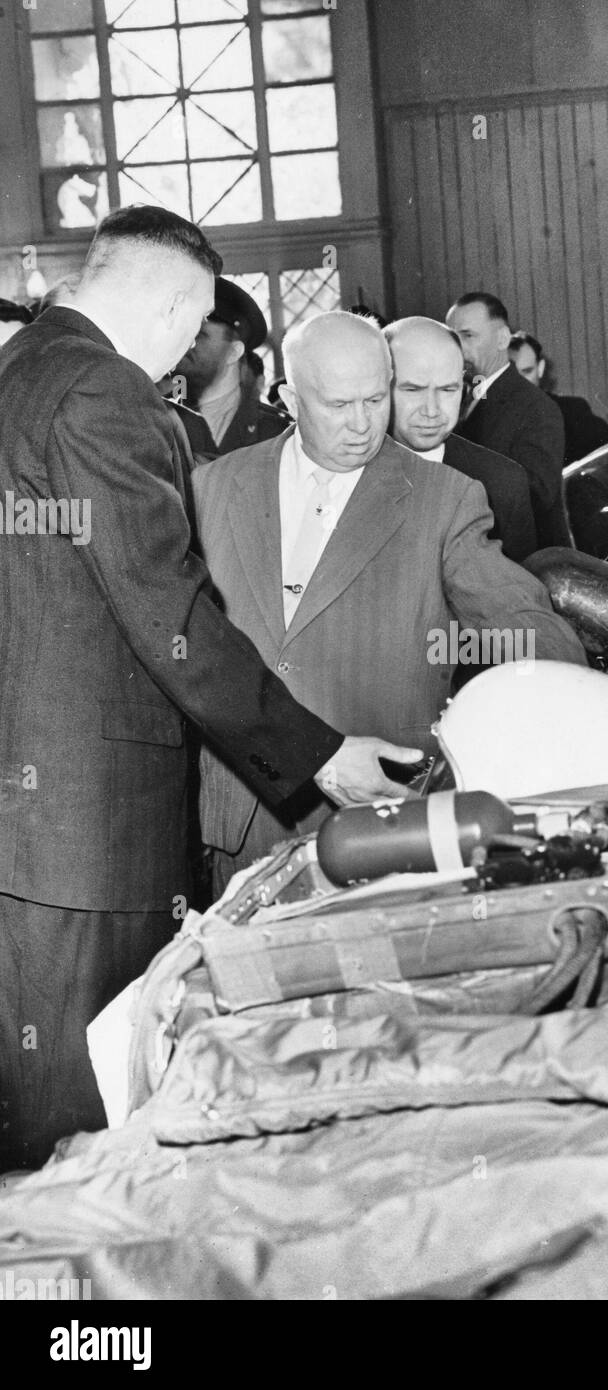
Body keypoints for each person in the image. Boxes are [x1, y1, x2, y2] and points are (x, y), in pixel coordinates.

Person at [0, 208, 419, 1172]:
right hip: (89, 830)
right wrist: (319, 754)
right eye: (192, 336)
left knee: (32, 1108)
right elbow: (172, 617)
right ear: (175, 306)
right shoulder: (105, 393)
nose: (187, 360)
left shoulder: (19, 370)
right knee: (95, 1124)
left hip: (35, 821)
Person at [193, 311, 586, 893]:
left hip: (376, 824)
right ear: (289, 398)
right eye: (337, 405)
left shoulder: (443, 499)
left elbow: (520, 622)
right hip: (236, 821)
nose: (361, 425)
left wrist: (573, 700)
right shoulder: (211, 487)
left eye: (376, 400)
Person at [385, 315, 538, 563]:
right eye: (413, 389)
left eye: (448, 390)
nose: (432, 410)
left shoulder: (502, 483)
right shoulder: (346, 470)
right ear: (380, 387)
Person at [446, 292, 570, 548]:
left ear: (503, 338)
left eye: (468, 336)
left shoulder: (535, 407)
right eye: (452, 337)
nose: (457, 348)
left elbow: (537, 495)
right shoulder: (459, 399)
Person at [173, 275, 289, 461]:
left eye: (200, 335)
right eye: (184, 333)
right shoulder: (159, 421)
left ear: (234, 352)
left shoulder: (277, 434)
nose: (187, 343)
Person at [508, 330, 608, 465]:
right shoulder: (483, 420)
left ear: (540, 368)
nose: (520, 383)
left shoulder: (572, 411)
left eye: (527, 372)